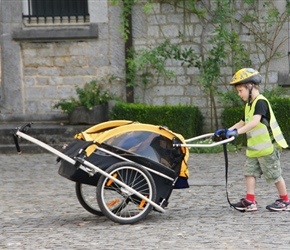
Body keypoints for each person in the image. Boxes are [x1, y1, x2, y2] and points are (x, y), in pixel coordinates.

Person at [215, 68, 289, 212]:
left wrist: (236, 133)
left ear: (250, 86)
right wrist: (227, 131)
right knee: (249, 172)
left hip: (267, 148)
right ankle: (250, 200)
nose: (239, 94)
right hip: (255, 149)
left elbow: (254, 122)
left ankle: (285, 200)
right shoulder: (250, 104)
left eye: (240, 90)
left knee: (274, 175)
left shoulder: (260, 102)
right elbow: (243, 122)